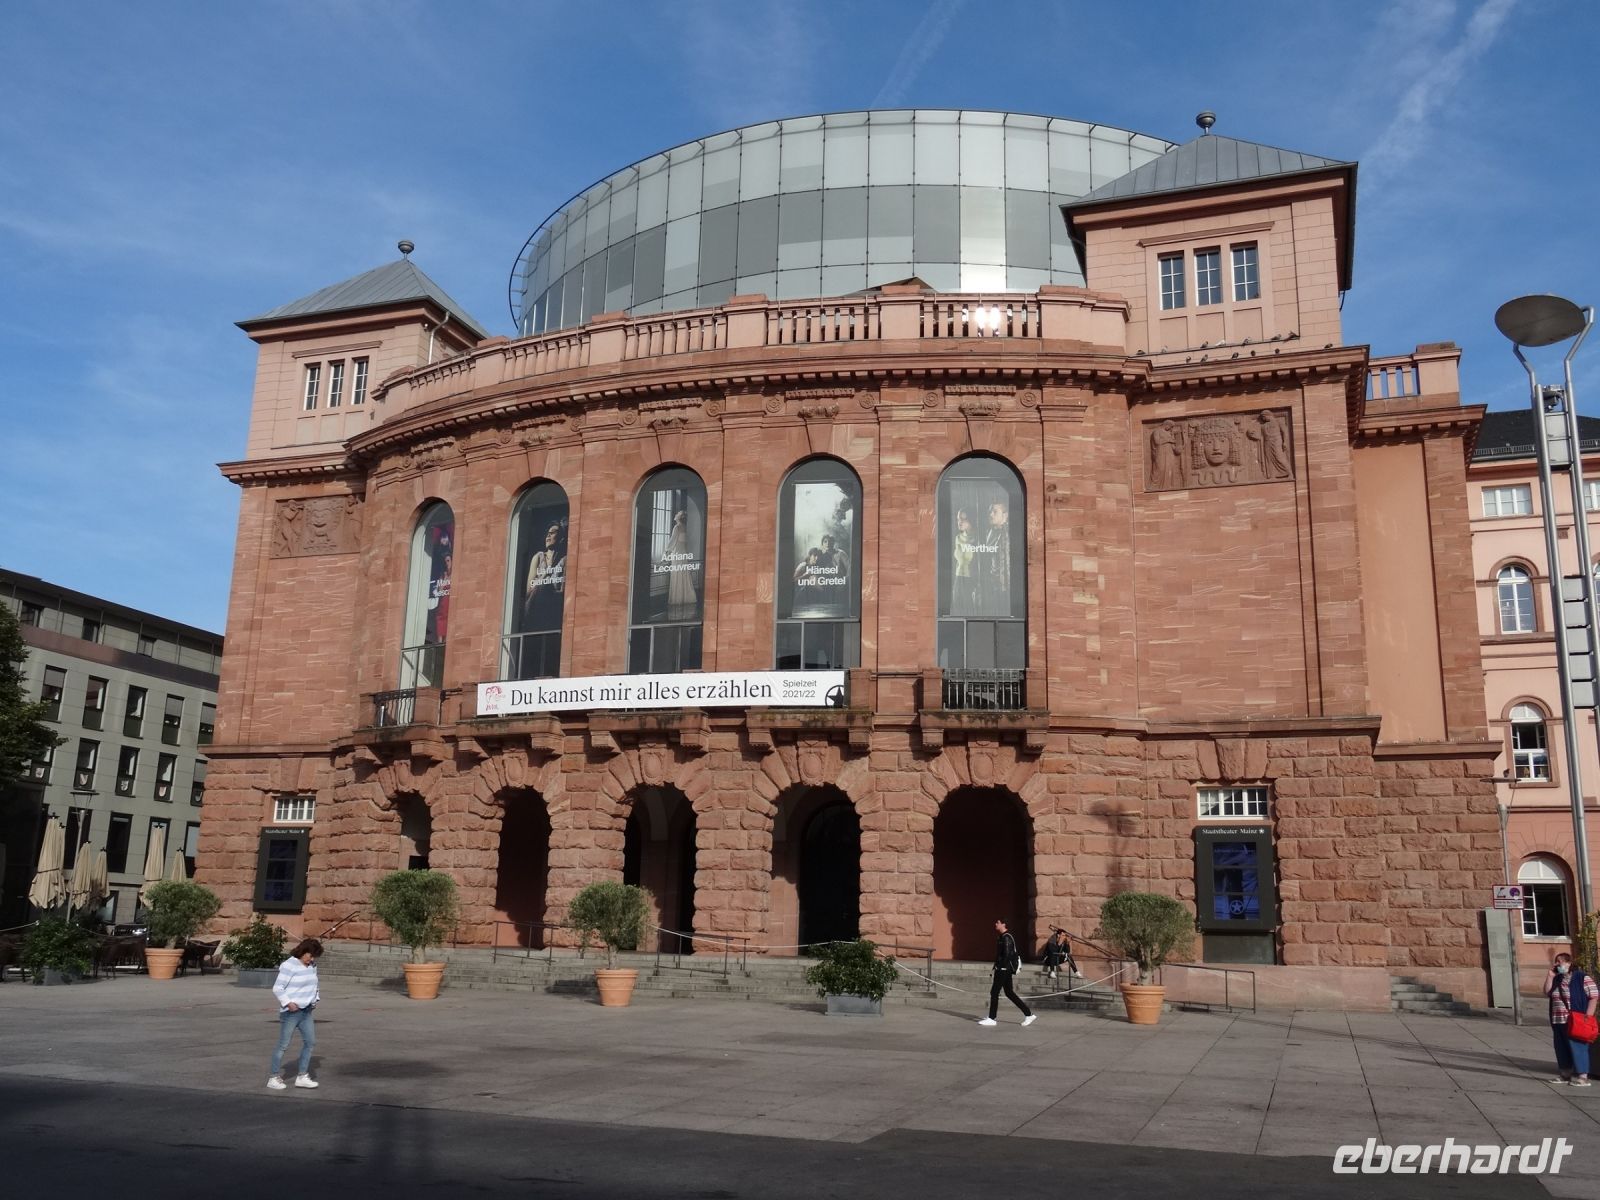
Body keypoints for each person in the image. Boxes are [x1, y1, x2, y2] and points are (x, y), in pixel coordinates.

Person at [267, 938, 323, 1091]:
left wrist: (315, 999)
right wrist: (288, 1003)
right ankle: (273, 1077)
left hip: (306, 1011)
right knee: (283, 1045)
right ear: (303, 951)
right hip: (291, 1012)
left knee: (310, 1042)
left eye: (313, 957)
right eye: (310, 956)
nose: (311, 959)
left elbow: (315, 984)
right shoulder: (289, 965)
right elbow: (278, 988)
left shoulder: (312, 966)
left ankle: (302, 1076)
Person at [1546, 952, 1598, 1087]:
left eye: (1561, 962)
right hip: (1558, 1019)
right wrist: (1550, 977)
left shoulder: (1581, 977)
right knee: (1561, 1047)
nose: (1558, 964)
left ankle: (1583, 1077)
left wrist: (1588, 1016)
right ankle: (1565, 1074)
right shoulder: (1557, 978)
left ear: (1569, 963)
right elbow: (1547, 992)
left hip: (1576, 1019)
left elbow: (1594, 996)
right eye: (1556, 962)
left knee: (1578, 1047)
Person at [979, 918, 1035, 1027]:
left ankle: (992, 1018)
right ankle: (1029, 1014)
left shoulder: (1006, 937)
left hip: (1003, 969)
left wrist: (1000, 967)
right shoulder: (1002, 937)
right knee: (1009, 993)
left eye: (998, 922)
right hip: (1003, 969)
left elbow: (1007, 955)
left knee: (994, 992)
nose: (995, 924)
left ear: (1003, 924)